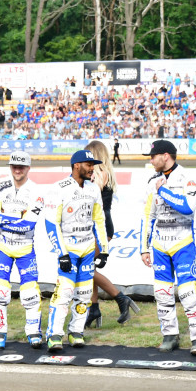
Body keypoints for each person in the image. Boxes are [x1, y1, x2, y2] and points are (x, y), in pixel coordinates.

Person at [140, 140, 196, 355]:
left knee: (188, 292)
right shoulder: (153, 180)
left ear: (166, 156)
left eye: (153, 156)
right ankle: (170, 335)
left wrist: (164, 192)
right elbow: (147, 216)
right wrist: (144, 248)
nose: (151, 161)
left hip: (183, 242)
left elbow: (188, 208)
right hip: (160, 245)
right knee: (162, 293)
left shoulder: (188, 178)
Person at [44, 149, 107, 351]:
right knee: (64, 293)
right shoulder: (58, 188)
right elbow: (51, 223)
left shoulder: (94, 189)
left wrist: (103, 249)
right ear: (76, 165)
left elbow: (99, 220)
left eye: (93, 165)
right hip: (68, 250)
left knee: (85, 294)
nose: (92, 168)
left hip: (88, 249)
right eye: (89, 165)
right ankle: (54, 334)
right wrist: (61, 252)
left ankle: (76, 331)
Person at [0, 151, 45, 349]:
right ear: (10, 167)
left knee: (30, 294)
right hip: (2, 247)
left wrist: (6, 220)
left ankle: (33, 332)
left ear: (29, 168)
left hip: (25, 248)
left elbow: (28, 225)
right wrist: (16, 219)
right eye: (14, 166)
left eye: (21, 166)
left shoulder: (37, 192)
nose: (17, 170)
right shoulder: (1, 188)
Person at [82, 140, 139, 328]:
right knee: (90, 269)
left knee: (86, 268)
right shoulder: (105, 172)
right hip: (102, 224)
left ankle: (120, 298)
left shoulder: (99, 173)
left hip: (99, 226)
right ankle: (94, 308)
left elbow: (93, 198)